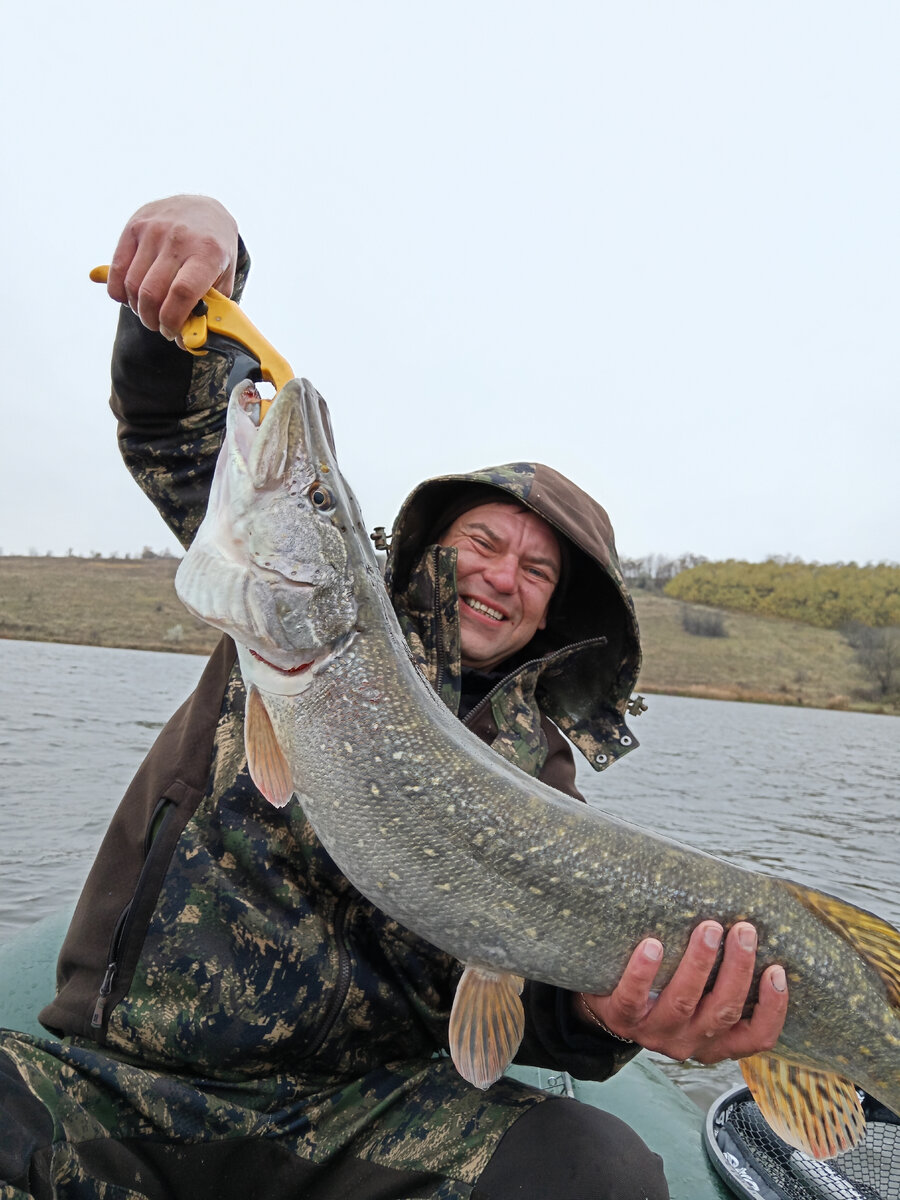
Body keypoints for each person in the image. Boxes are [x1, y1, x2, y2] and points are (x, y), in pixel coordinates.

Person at [0, 196, 788, 1200]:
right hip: (118, 1084)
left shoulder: (540, 794)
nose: (504, 576)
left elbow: (530, 1003)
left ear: (553, 615)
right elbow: (186, 418)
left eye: (538, 572)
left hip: (350, 1124)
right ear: (430, 546)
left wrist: (607, 1018)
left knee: (597, 1170)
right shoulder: (296, 602)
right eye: (486, 543)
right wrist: (213, 261)